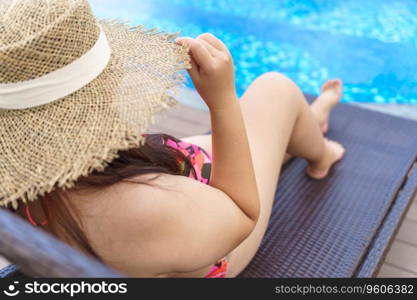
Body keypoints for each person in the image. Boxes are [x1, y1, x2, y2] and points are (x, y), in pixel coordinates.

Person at [0, 0, 344, 278]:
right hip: (213, 245)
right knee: (275, 90)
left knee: (262, 137)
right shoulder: (141, 209)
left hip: (163, 196)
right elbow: (242, 215)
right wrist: (221, 99)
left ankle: (302, 126)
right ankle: (321, 155)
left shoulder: (20, 188)